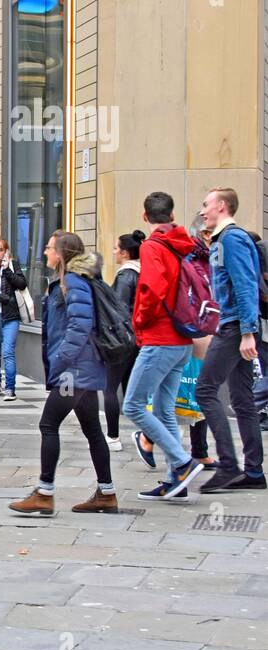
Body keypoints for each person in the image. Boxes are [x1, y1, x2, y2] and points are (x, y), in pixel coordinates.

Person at [9, 232, 117, 516]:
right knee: (93, 429)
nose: (45, 252)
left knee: (48, 424)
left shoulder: (74, 282)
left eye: (48, 248)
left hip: (74, 371)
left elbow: (80, 326)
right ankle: (106, 493)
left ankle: (45, 493)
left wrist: (61, 360)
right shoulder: (69, 281)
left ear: (62, 253)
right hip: (81, 368)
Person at [124, 192, 203, 500]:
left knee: (133, 404)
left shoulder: (153, 247)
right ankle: (176, 481)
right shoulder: (184, 243)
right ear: (171, 215)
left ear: (145, 217)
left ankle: (182, 464)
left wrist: (139, 322)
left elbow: (152, 290)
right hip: (182, 338)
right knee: (164, 410)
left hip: (160, 339)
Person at [196, 187, 266, 492]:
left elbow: (245, 284)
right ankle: (253, 472)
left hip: (236, 326)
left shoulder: (232, 239)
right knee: (242, 399)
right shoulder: (223, 240)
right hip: (237, 324)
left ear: (221, 206)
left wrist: (248, 332)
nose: (202, 211)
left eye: (206, 205)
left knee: (205, 391)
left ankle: (228, 466)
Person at [103, 230, 145, 450]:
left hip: (122, 340)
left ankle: (113, 437)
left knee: (110, 388)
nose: (113, 252)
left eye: (116, 247)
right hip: (139, 339)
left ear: (125, 252)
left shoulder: (125, 275)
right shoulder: (144, 272)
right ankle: (148, 435)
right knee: (131, 389)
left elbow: (118, 310)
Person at [0, 237, 27, 401]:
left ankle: (10, 388)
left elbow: (22, 284)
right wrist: (1, 297)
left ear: (6, 253)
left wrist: (7, 270)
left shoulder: (12, 266)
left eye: (1, 249)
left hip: (10, 317)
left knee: (8, 352)